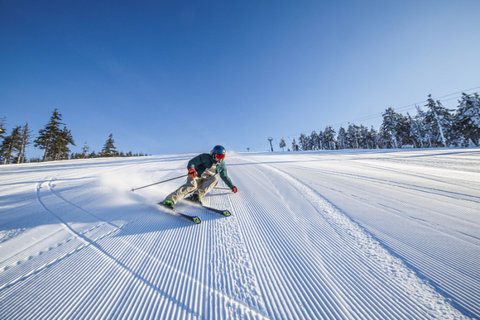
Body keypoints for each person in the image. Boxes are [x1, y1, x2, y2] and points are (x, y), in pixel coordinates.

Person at [161, 145, 237, 209]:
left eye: (222, 156)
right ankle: (169, 200)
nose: (220, 158)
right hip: (196, 176)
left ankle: (196, 196)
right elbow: (192, 162)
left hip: (206, 179)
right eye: (219, 156)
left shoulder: (222, 164)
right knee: (192, 186)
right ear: (213, 154)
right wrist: (191, 169)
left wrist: (232, 186)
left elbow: (225, 176)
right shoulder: (205, 157)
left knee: (215, 179)